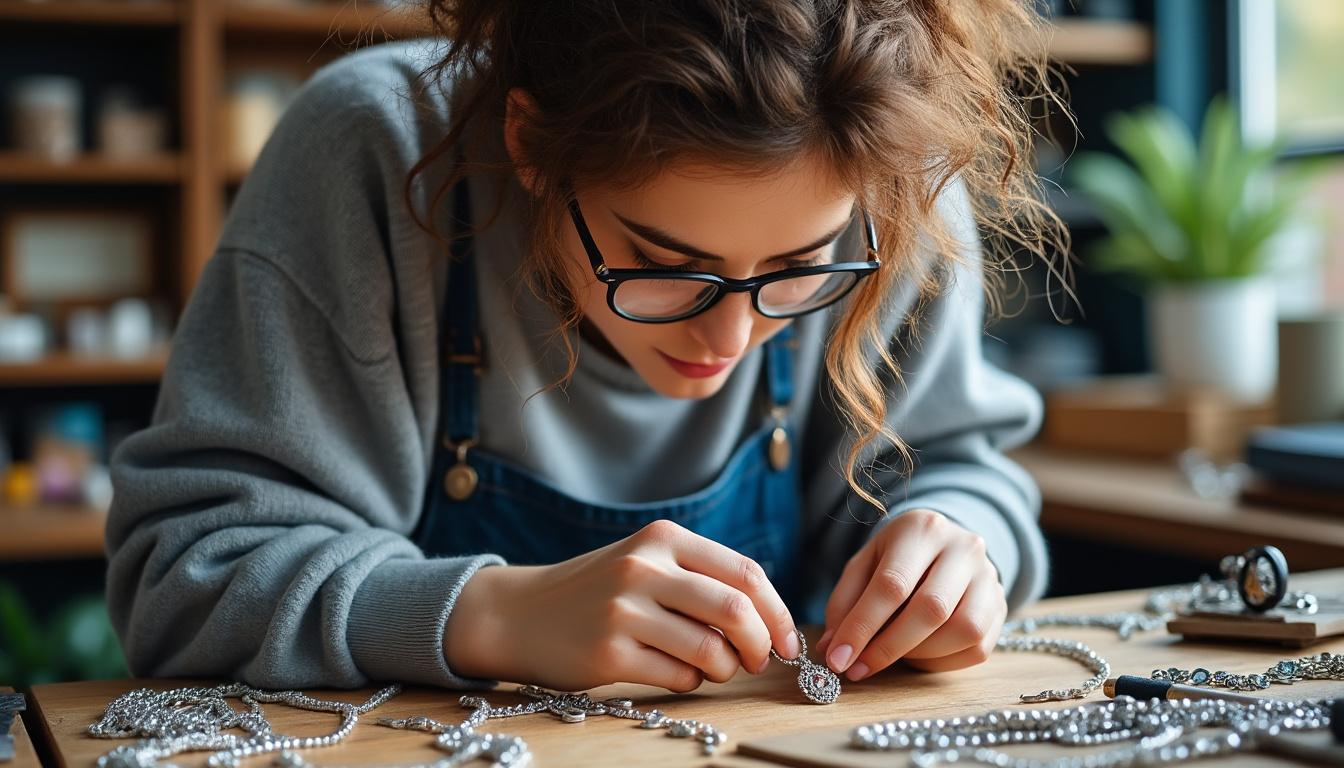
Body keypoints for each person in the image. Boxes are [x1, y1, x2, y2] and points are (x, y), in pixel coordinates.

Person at [106, 0, 1064, 694]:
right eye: (665, 262)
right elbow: (185, 578)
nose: (729, 333)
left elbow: (957, 470)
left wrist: (957, 540)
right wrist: (499, 616)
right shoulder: (371, 149)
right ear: (529, 143)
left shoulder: (888, 166)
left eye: (796, 268)